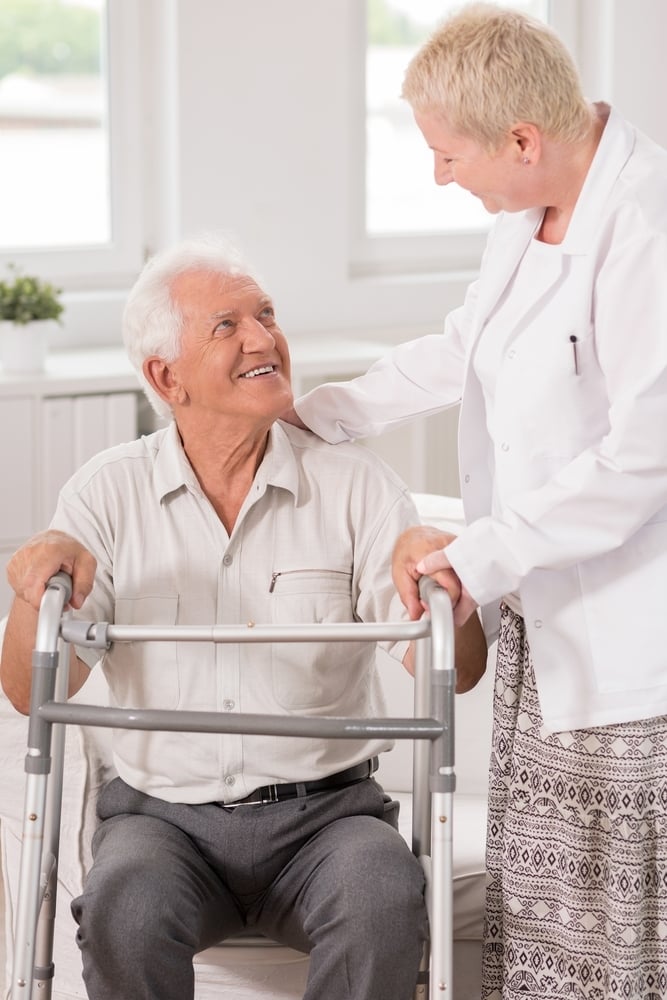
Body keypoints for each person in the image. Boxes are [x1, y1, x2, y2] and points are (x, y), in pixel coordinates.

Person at [284, 5, 667, 1000]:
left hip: (636, 627)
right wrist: (317, 414)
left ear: (523, 141)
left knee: (613, 909)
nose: (440, 176)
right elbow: (465, 346)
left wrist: (479, 552)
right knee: (544, 901)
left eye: (446, 155)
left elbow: (642, 456)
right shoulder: (523, 217)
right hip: (549, 610)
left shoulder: (646, 224)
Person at [0, 233, 487, 1000]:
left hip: (327, 819)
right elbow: (32, 692)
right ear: (166, 376)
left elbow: (455, 673)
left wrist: (443, 586)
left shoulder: (358, 486)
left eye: (265, 315)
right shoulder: (105, 493)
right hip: (162, 825)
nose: (264, 339)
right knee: (124, 908)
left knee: (381, 902)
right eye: (227, 326)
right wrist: (34, 589)